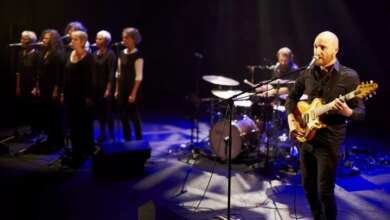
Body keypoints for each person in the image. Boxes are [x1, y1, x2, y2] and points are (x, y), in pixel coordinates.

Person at [285, 31, 366, 220]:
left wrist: (349, 113)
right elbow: (292, 97)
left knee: (325, 191)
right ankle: (316, 216)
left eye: (322, 47)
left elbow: (361, 113)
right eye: (315, 46)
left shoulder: (349, 76)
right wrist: (291, 121)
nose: (317, 51)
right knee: (307, 186)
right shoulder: (308, 72)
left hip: (330, 140)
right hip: (307, 135)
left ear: (335, 50)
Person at [61, 30, 95, 166]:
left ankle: (86, 150)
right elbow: (66, 77)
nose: (72, 41)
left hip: (83, 97)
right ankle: (76, 149)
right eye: (72, 39)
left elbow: (92, 79)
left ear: (82, 42)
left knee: (84, 124)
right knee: (73, 124)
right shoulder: (70, 55)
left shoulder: (89, 58)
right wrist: (63, 93)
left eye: (75, 39)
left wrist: (90, 96)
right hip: (71, 96)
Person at [34, 29, 65, 152]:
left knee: (54, 115)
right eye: (44, 38)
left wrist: (56, 90)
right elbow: (39, 72)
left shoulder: (57, 53)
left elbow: (59, 74)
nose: (44, 40)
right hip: (44, 87)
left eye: (47, 38)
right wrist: (37, 86)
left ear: (53, 40)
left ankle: (58, 141)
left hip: (52, 87)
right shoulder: (43, 52)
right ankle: (51, 138)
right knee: (47, 114)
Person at [114, 27, 143, 141]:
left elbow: (139, 76)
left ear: (133, 39)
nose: (124, 40)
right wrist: (117, 89)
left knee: (134, 116)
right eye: (123, 37)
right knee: (123, 116)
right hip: (122, 88)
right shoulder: (121, 53)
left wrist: (134, 93)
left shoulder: (138, 56)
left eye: (127, 37)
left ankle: (139, 141)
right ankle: (128, 141)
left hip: (132, 88)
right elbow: (118, 73)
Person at [14, 30, 42, 139]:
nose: (22, 41)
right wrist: (18, 86)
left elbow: (39, 73)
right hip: (23, 85)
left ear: (32, 41)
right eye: (22, 38)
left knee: (34, 109)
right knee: (26, 109)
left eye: (25, 39)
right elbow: (18, 72)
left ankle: (36, 130)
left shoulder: (37, 54)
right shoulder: (20, 54)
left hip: (33, 86)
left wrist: (37, 87)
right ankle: (30, 129)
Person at [93, 30, 116, 144]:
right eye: (97, 38)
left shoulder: (110, 54)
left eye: (100, 38)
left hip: (106, 87)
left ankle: (111, 134)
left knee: (108, 112)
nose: (97, 40)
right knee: (100, 112)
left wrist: (108, 89)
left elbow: (112, 73)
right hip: (96, 87)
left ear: (106, 41)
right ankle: (102, 133)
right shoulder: (94, 53)